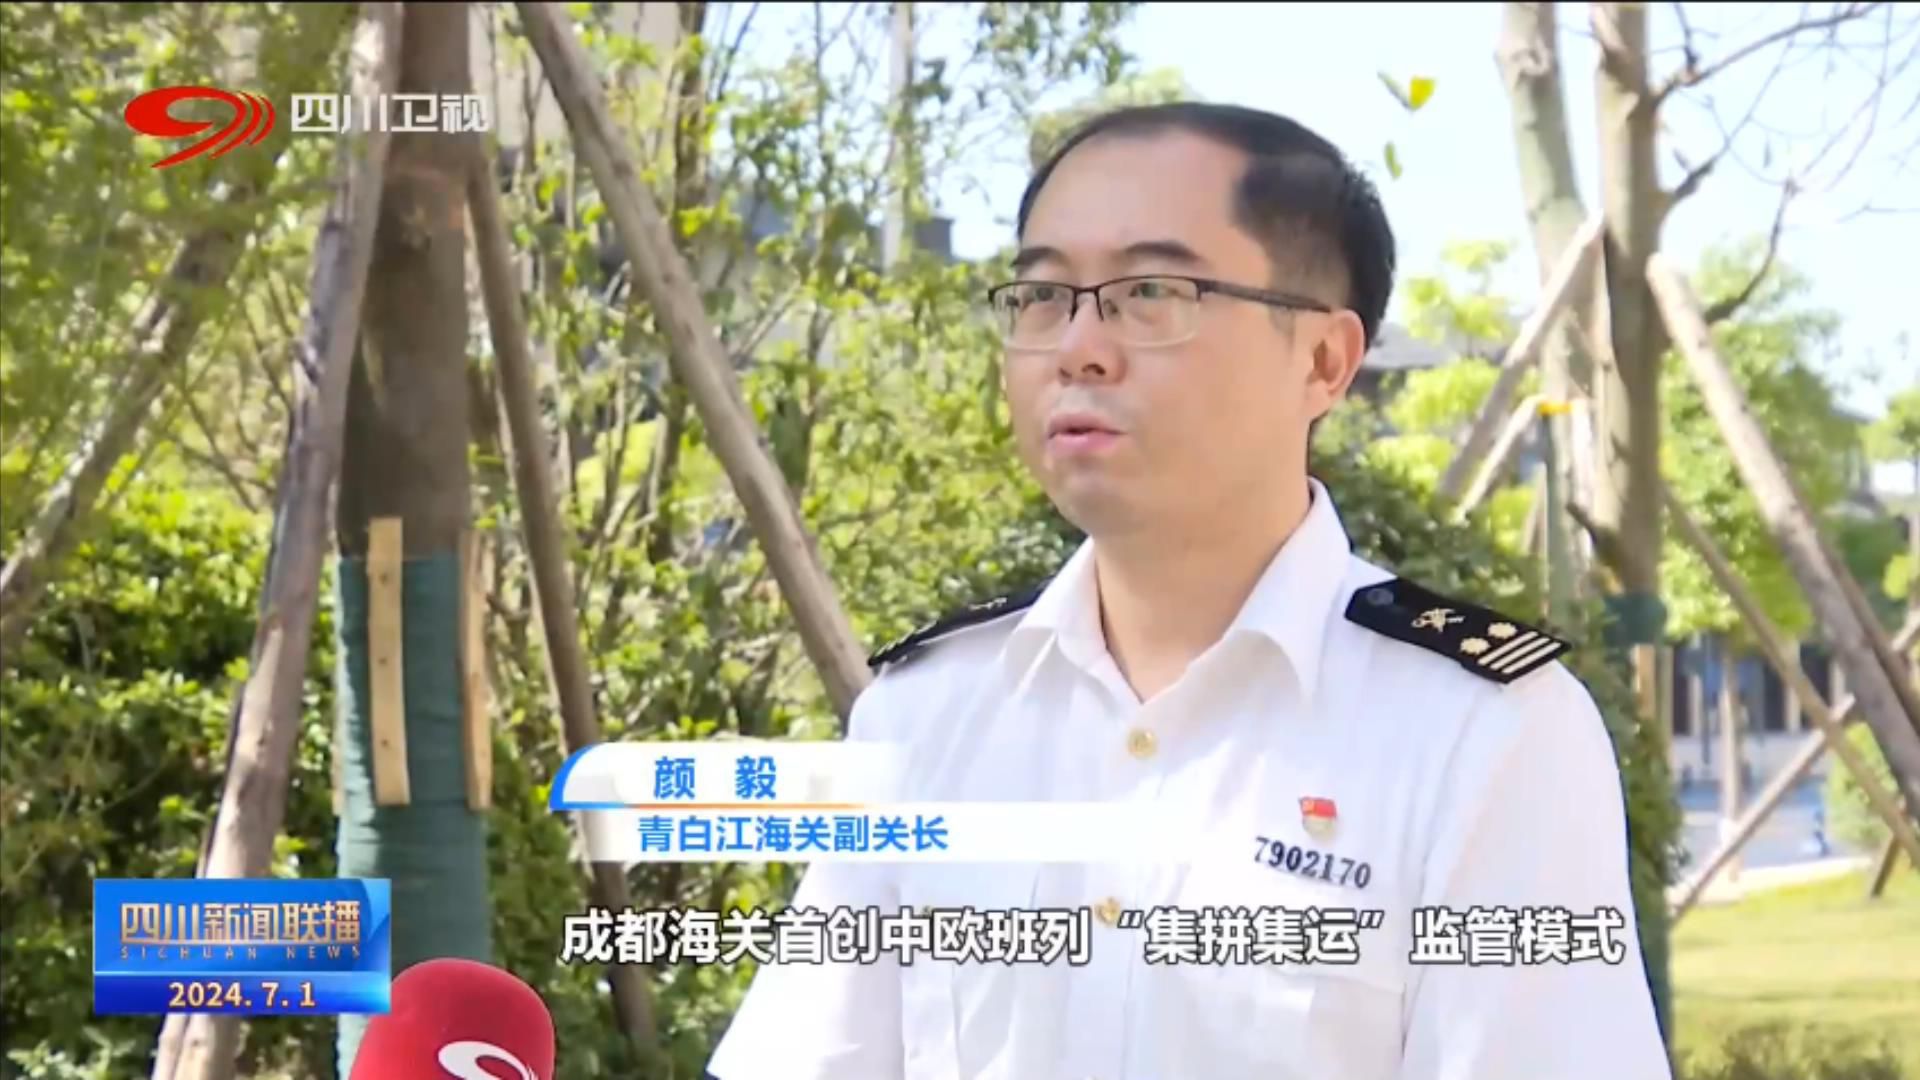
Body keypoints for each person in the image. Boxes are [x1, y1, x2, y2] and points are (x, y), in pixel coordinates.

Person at [706, 102, 1671, 1080]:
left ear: (1324, 361)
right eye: (1042, 296)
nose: (1078, 346)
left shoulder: (1484, 733)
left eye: (1149, 292)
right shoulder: (925, 714)